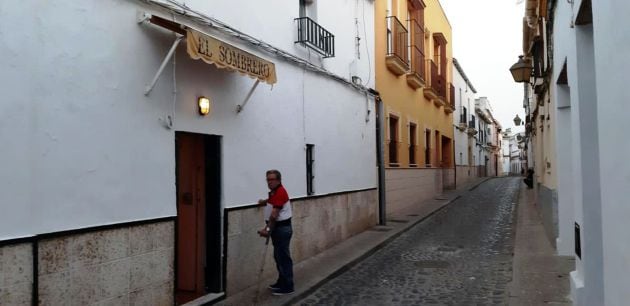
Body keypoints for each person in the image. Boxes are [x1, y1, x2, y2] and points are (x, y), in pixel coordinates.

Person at [257, 169, 294, 295]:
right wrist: (264, 202)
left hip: (281, 229)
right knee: (278, 257)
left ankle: (288, 286)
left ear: (278, 180)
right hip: (277, 229)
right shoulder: (274, 192)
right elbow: (272, 202)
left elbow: (274, 215)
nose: (270, 182)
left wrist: (267, 230)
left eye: (272, 179)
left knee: (283, 258)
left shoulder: (280, 192)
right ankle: (281, 281)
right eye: (268, 179)